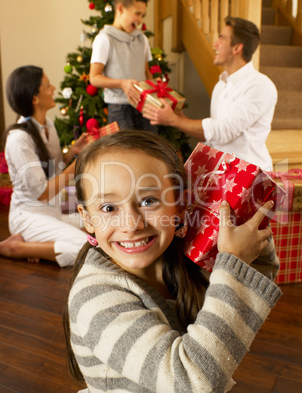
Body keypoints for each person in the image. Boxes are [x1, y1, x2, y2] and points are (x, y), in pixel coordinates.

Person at [63, 130, 281, 392]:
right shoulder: (94, 298)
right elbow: (189, 381)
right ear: (87, 219)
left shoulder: (180, 258)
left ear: (180, 206)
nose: (131, 225)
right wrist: (233, 262)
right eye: (109, 208)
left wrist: (244, 227)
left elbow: (253, 282)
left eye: (149, 200)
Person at [143, 16, 278, 171]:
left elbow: (224, 130)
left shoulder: (259, 86)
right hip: (222, 174)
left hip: (249, 176)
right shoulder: (221, 85)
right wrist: (182, 120)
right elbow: (213, 137)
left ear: (236, 48)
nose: (215, 44)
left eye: (221, 38)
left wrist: (173, 120)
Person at [0, 65, 88, 267]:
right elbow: (42, 193)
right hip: (29, 214)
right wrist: (78, 164)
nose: (53, 88)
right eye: (48, 85)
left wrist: (73, 151)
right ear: (34, 99)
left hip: (54, 205)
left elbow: (55, 171)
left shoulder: (47, 124)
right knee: (86, 249)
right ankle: (16, 248)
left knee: (97, 227)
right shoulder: (19, 139)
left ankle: (43, 244)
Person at [89, 0, 156, 133]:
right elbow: (94, 78)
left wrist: (154, 95)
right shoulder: (104, 39)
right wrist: (122, 84)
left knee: (151, 149)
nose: (140, 20)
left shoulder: (142, 39)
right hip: (119, 108)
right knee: (125, 153)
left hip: (144, 107)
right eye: (137, 13)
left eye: (142, 15)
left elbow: (146, 73)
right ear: (120, 9)